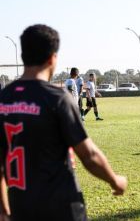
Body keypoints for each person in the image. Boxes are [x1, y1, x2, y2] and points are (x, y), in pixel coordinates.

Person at [0, 24, 127, 221]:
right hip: (61, 207)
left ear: (23, 56)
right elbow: (89, 155)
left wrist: (4, 210)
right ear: (53, 58)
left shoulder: (3, 99)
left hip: (22, 208)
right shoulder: (56, 98)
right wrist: (114, 180)